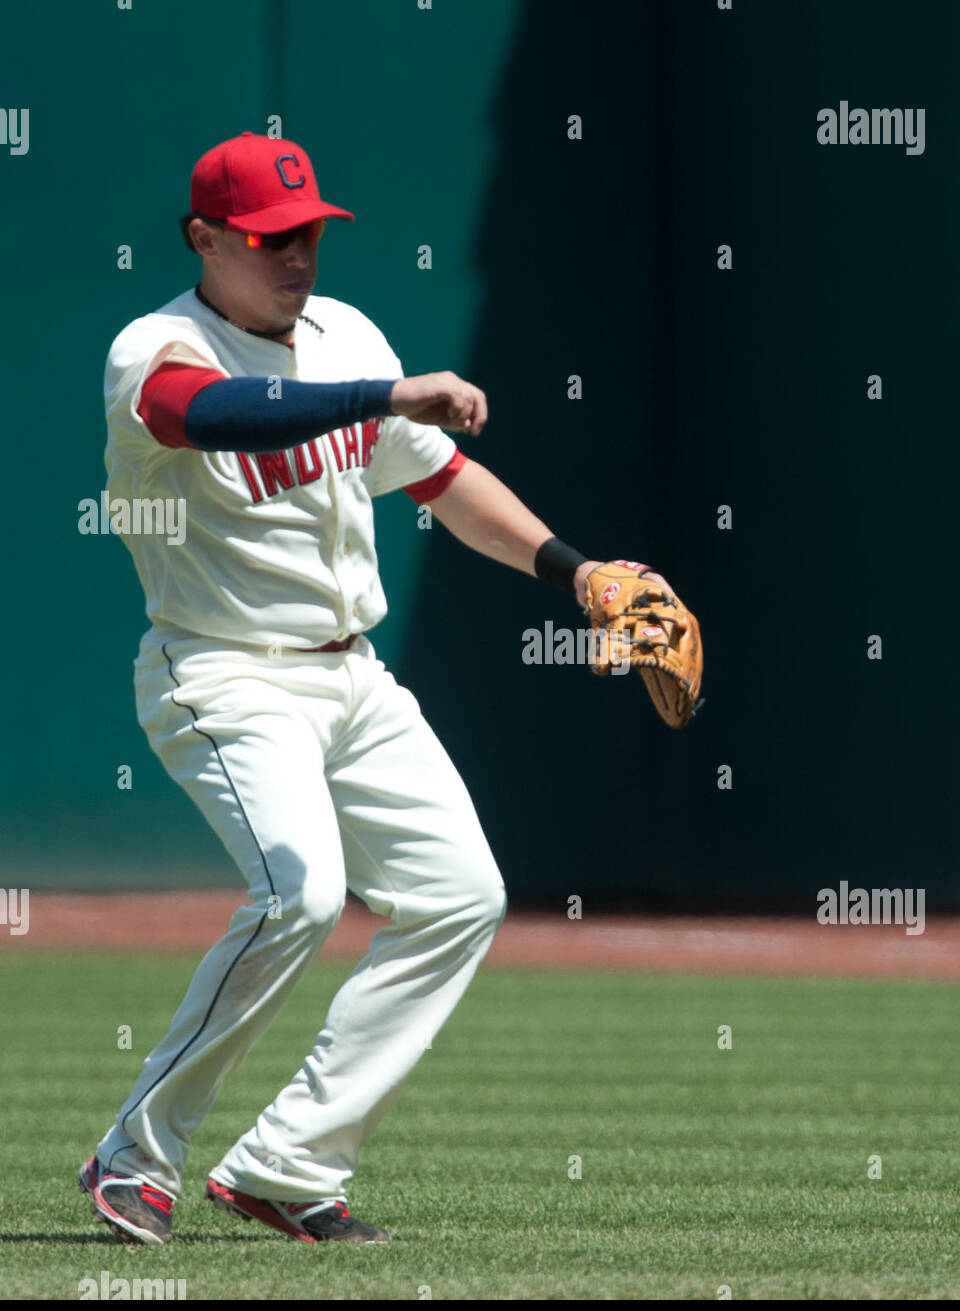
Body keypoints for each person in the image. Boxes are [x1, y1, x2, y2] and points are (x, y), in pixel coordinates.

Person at [79, 131, 674, 1244]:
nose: (296, 255)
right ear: (204, 238)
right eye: (267, 238)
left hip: (353, 675)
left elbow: (442, 481)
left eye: (307, 232)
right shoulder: (155, 346)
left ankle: (289, 1163)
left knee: (460, 894)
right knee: (298, 895)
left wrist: (576, 568)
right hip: (222, 673)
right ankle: (135, 1154)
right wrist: (392, 390)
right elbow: (208, 415)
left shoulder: (344, 334)